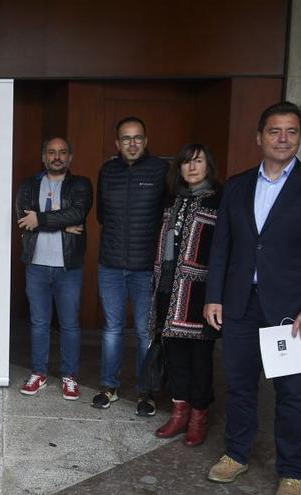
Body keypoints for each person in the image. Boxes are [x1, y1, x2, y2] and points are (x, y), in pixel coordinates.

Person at [203, 102, 301, 495]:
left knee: (292, 393)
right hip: (240, 304)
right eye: (274, 131)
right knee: (240, 384)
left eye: (291, 131)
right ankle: (236, 454)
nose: (283, 138)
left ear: (300, 136)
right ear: (259, 137)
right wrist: (214, 296)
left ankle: (291, 471)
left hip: (294, 310)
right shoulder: (237, 185)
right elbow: (222, 248)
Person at [93, 116, 169, 415]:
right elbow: (102, 215)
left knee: (143, 332)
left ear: (146, 141)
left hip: (145, 267)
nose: (132, 143)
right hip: (110, 264)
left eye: (137, 137)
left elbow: (167, 217)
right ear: (118, 143)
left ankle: (145, 392)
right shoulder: (107, 171)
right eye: (126, 138)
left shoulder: (161, 170)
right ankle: (109, 386)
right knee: (111, 329)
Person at [148, 144, 221, 447]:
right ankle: (179, 413)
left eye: (199, 161)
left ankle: (198, 418)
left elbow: (224, 251)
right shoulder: (171, 200)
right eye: (186, 163)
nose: (192, 167)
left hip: (200, 294)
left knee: (200, 361)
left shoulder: (219, 201)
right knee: (175, 355)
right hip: (168, 289)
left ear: (208, 166)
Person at [15, 137, 93, 400]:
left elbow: (77, 214)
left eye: (62, 153)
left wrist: (42, 219)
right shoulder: (29, 185)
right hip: (36, 265)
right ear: (43, 157)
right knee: (39, 323)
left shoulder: (80, 184)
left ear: (70, 157)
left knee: (69, 324)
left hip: (68, 267)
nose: (56, 157)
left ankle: (69, 376)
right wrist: (61, 222)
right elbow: (24, 220)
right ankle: (39, 373)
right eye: (51, 152)